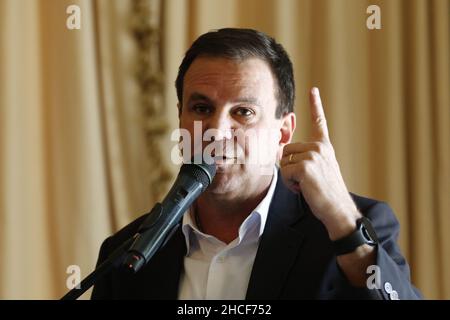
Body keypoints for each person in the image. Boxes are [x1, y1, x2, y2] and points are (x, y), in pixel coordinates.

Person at [91, 28, 422, 300]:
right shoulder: (128, 253)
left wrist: (344, 224)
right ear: (180, 119)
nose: (216, 131)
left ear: (283, 134)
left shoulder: (345, 232)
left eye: (243, 112)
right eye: (202, 109)